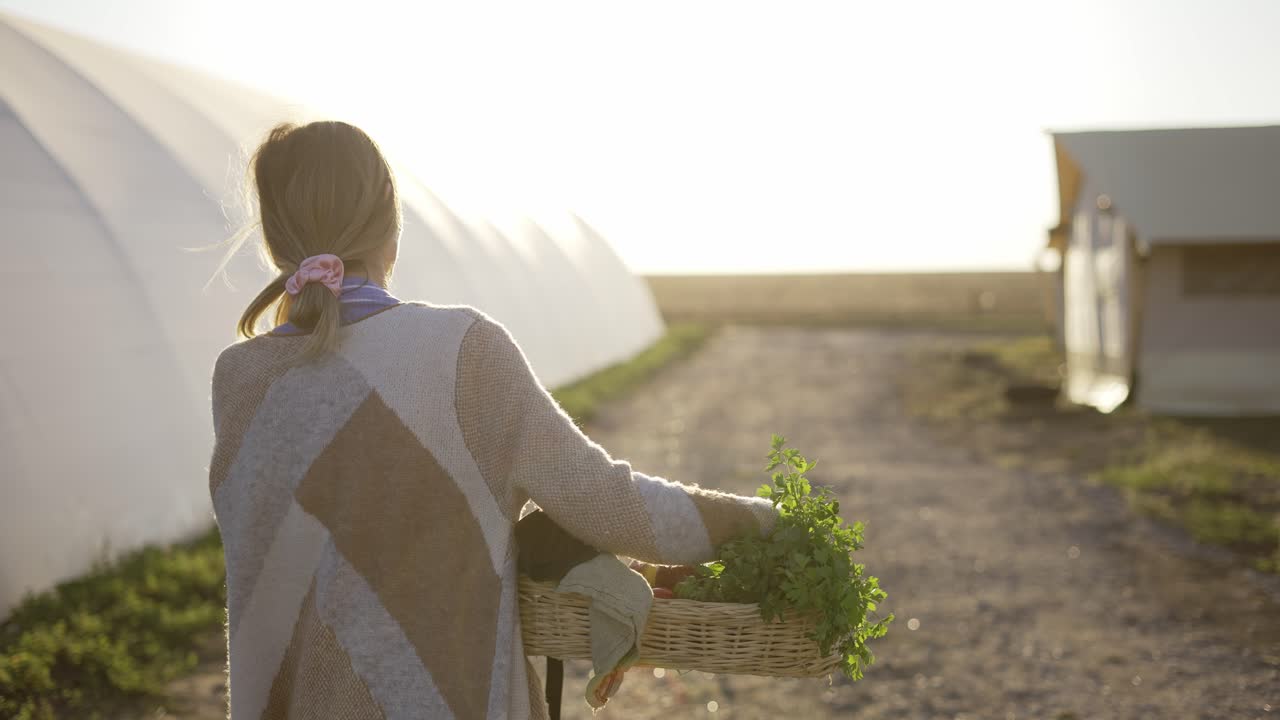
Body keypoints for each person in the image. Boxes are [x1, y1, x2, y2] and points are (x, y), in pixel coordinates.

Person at [208, 120, 778, 719]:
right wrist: (765, 523)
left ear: (274, 241)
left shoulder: (240, 379)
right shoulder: (461, 351)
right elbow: (611, 504)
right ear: (390, 226)